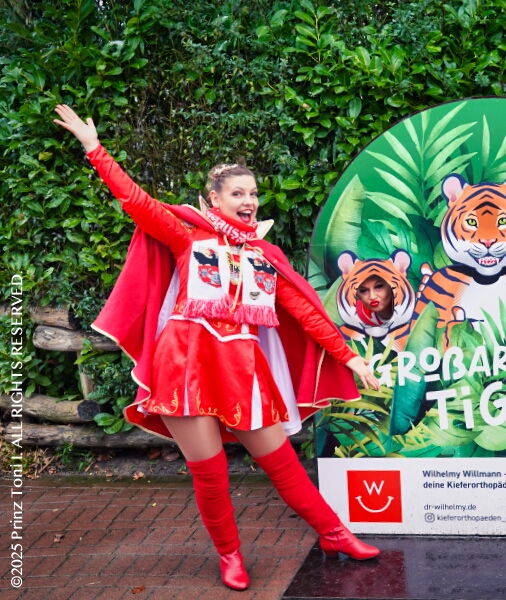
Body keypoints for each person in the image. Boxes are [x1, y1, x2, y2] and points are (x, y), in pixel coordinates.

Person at [53, 105, 381, 591]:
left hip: (242, 369)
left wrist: (349, 356)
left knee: (282, 464)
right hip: (184, 365)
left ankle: (335, 534)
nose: (249, 201)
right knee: (210, 474)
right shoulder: (187, 236)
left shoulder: (265, 256)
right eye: (238, 193)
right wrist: (93, 148)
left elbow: (305, 312)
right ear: (214, 199)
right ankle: (230, 556)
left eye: (253, 193)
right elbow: (136, 200)